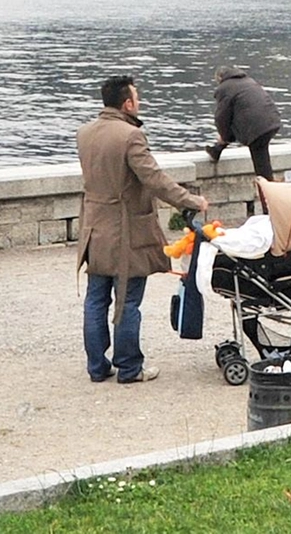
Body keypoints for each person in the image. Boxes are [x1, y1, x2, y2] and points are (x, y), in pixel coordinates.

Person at [77, 76, 207, 385]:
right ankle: (130, 367)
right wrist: (192, 200)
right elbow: (155, 179)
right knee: (128, 301)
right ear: (128, 103)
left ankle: (97, 366)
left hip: (93, 228)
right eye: (137, 97)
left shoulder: (84, 133)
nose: (139, 102)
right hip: (125, 232)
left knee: (96, 299)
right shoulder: (131, 136)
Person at [208, 66, 281, 181]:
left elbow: (221, 117)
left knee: (262, 166)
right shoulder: (248, 81)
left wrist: (225, 137)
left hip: (257, 127)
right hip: (272, 120)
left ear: (220, 78)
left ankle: (268, 193)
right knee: (261, 155)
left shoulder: (224, 88)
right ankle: (217, 149)